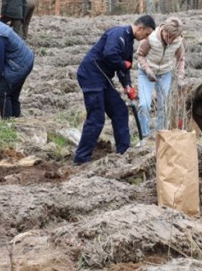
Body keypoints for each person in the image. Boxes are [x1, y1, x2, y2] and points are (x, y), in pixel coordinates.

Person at [73, 15, 155, 164]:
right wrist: (123, 65)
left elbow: (124, 68)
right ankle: (81, 158)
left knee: (120, 111)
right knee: (96, 118)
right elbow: (109, 55)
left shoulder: (129, 42)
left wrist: (127, 85)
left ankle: (124, 152)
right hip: (91, 75)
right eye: (147, 34)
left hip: (103, 78)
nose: (146, 38)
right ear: (140, 28)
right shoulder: (118, 33)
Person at [135, 17, 186, 137]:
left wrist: (180, 76)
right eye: (168, 36)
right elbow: (140, 55)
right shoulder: (151, 38)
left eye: (173, 38)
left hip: (165, 73)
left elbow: (181, 59)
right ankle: (144, 136)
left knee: (163, 106)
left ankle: (161, 134)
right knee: (144, 105)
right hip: (146, 73)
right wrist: (148, 70)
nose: (170, 40)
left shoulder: (178, 41)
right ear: (163, 30)